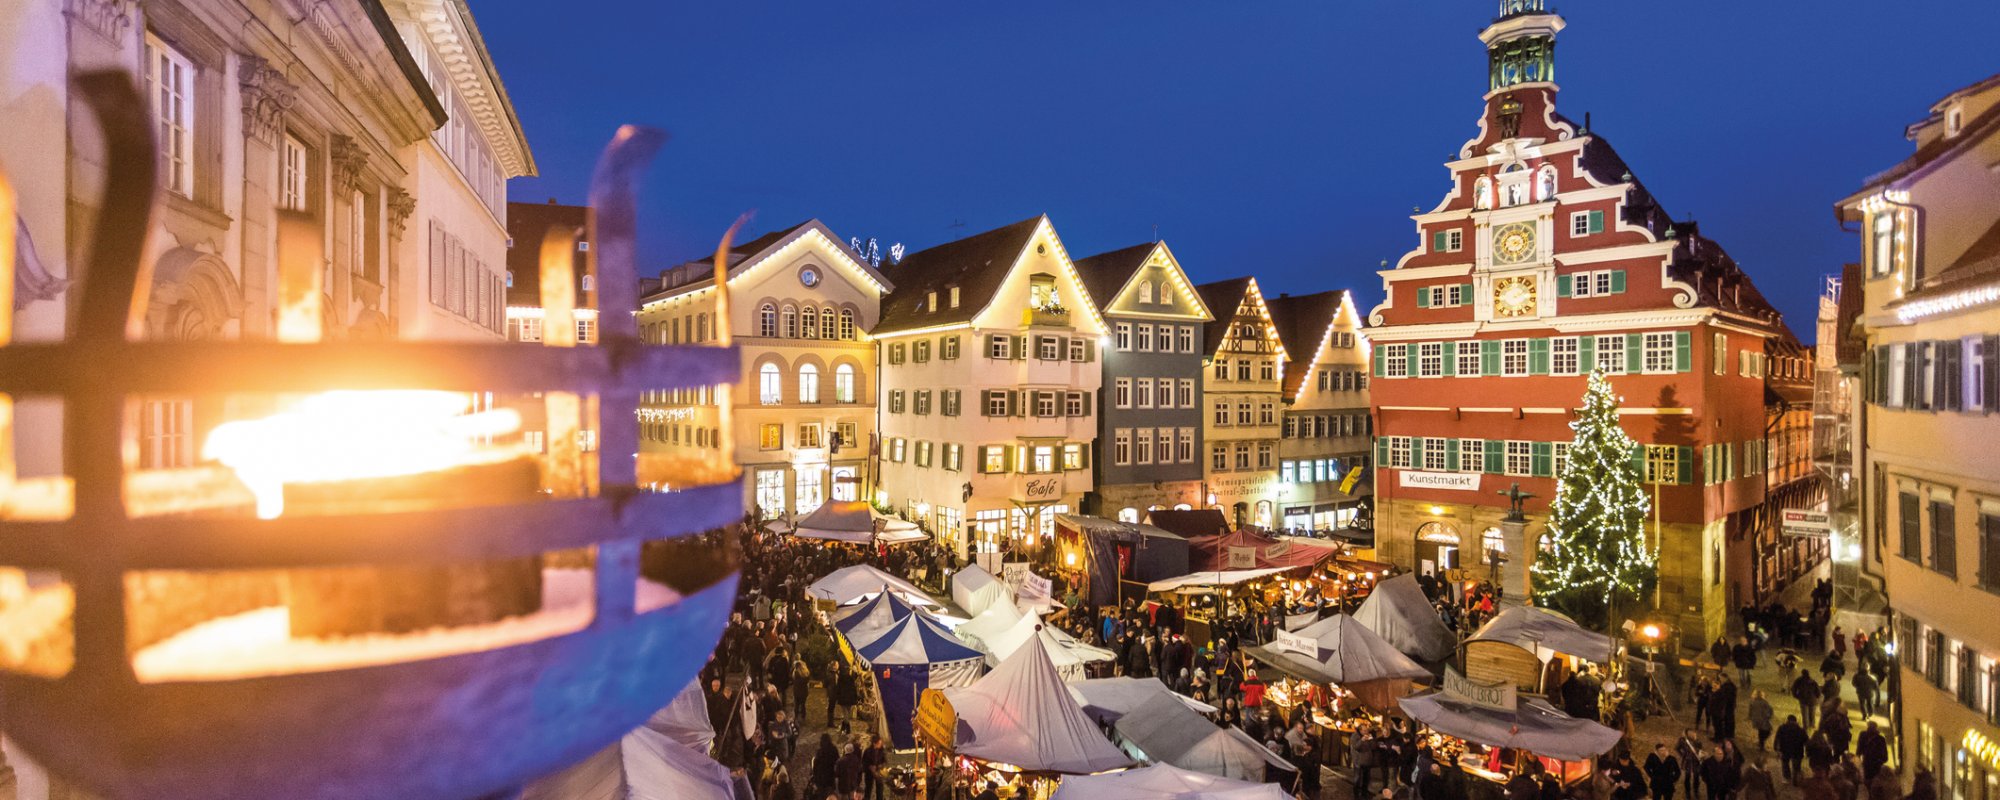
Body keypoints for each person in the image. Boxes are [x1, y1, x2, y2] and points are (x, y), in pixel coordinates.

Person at [1776, 715, 1809, 782]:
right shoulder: (1801, 730)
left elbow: (1777, 739)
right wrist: (1808, 751)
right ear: (1796, 721)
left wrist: (1777, 749)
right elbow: (1806, 741)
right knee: (1796, 766)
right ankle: (1796, 778)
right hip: (1798, 751)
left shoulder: (1782, 728)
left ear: (1787, 720)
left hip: (1785, 750)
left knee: (1785, 764)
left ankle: (1787, 778)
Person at [1677, 729, 1706, 798]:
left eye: (1692, 732)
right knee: (1687, 777)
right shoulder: (1683, 741)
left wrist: (1695, 740)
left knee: (1696, 777)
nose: (1691, 734)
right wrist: (1682, 755)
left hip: (1696, 761)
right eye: (1689, 733)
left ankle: (1696, 791)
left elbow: (1700, 750)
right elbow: (1677, 748)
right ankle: (1687, 792)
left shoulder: (1698, 741)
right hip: (1687, 762)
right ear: (1687, 734)